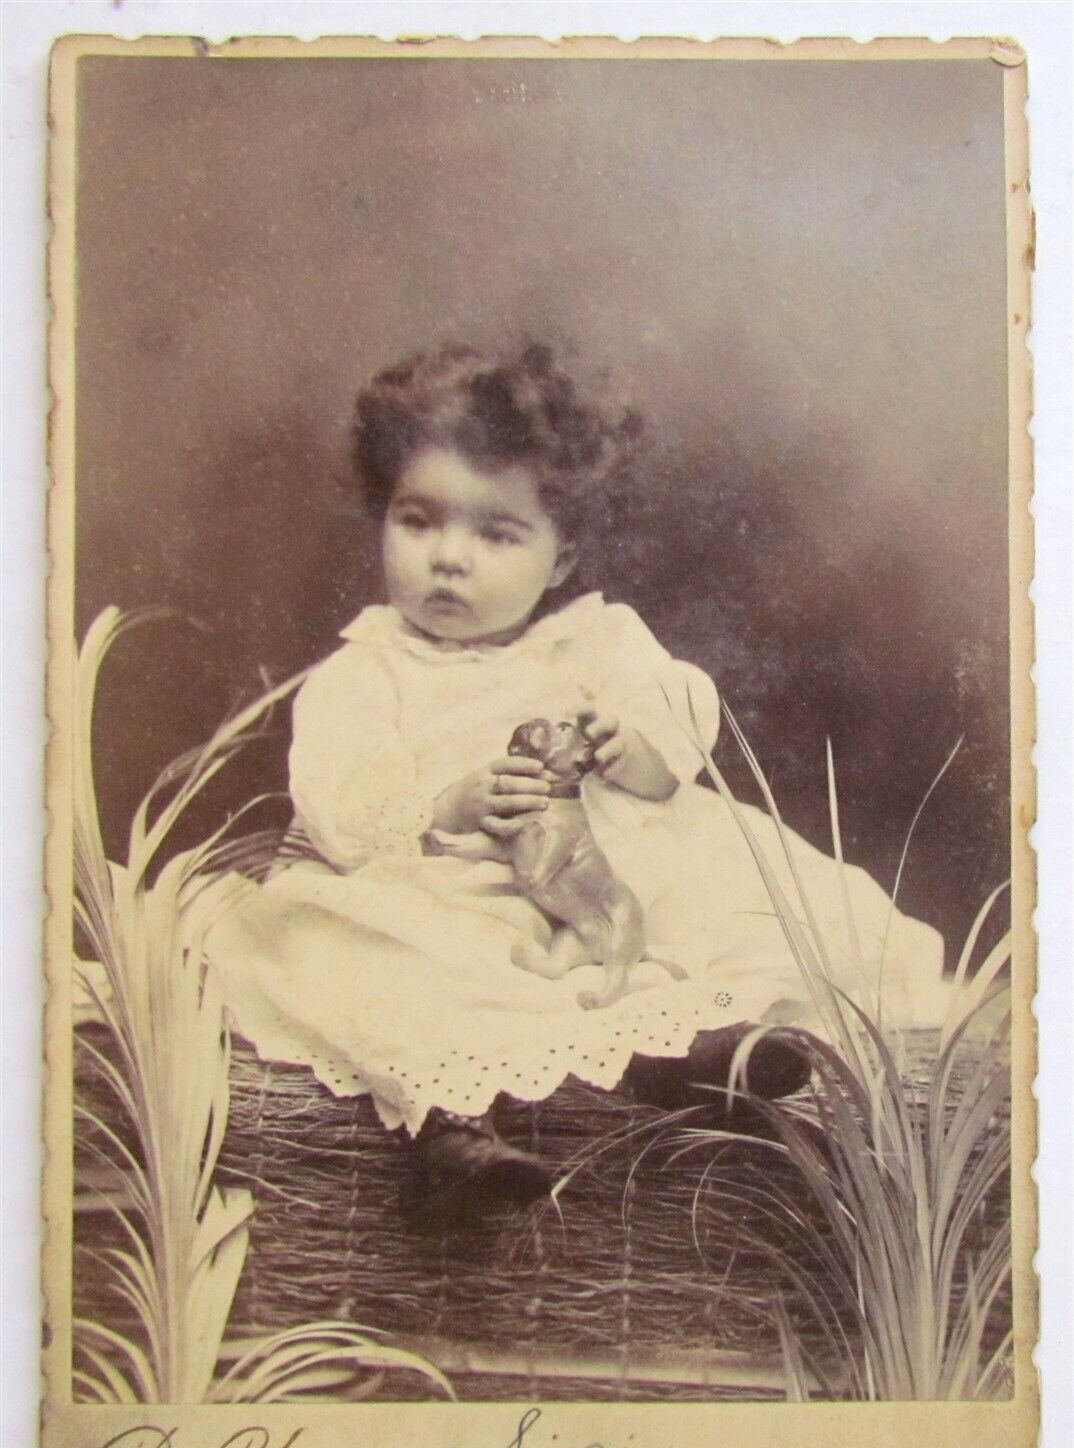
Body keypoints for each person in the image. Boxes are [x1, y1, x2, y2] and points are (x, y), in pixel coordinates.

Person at [207, 343, 947, 1207]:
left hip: (600, 883)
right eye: (419, 521)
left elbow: (675, 727)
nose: (450, 557)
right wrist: (444, 805)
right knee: (386, 959)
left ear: (559, 558)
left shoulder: (596, 643)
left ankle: (689, 1051)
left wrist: (625, 744)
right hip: (448, 889)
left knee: (711, 916)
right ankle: (448, 1117)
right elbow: (342, 796)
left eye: (496, 532)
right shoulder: (365, 672)